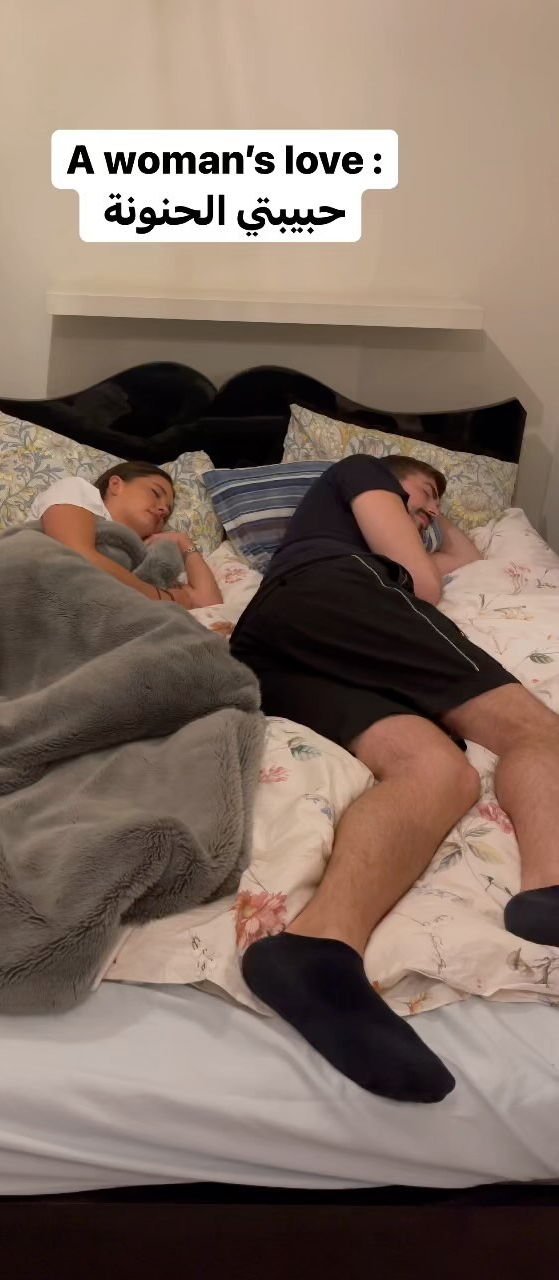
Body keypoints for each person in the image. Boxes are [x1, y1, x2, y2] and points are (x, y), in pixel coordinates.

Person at [230, 453, 559, 1105]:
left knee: (439, 772)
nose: (430, 507)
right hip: (339, 594)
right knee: (536, 730)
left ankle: (316, 950)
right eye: (424, 490)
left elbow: (464, 562)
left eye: (438, 501)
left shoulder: (386, 530)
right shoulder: (361, 471)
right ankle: (551, 886)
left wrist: (435, 515)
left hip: (270, 649)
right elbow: (426, 585)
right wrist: (405, 504)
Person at [29, 461, 222, 609]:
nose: (164, 509)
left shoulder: (148, 557)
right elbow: (76, 556)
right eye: (155, 493)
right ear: (116, 484)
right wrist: (163, 598)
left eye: (168, 513)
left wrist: (183, 541)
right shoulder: (78, 490)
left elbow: (209, 605)